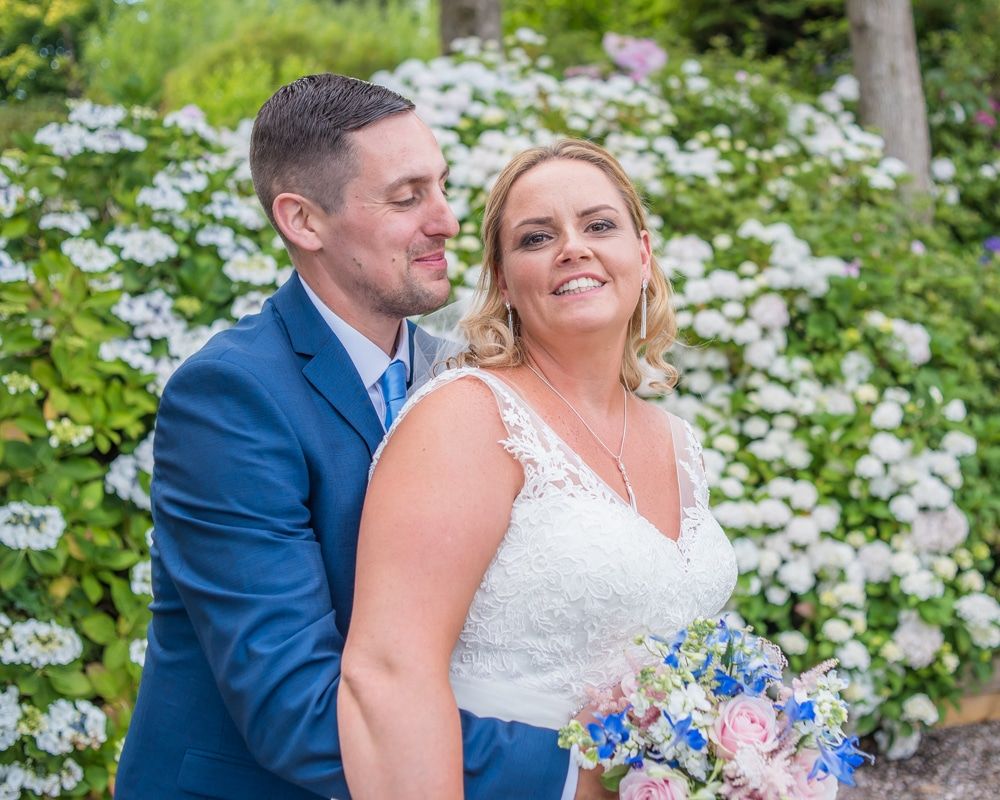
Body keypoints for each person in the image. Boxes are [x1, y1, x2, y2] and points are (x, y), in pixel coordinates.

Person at [116, 75, 590, 800]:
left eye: (442, 187)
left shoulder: (467, 381)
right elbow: (295, 711)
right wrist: (580, 774)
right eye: (406, 198)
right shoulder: (231, 399)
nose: (448, 221)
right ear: (303, 220)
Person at [339, 139, 739, 798]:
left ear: (641, 256)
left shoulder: (678, 442)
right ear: (502, 280)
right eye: (536, 237)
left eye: (599, 225)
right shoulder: (469, 418)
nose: (573, 248)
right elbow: (388, 673)